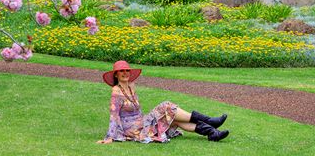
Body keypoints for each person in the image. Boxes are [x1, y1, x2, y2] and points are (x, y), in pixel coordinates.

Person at [97, 60, 229, 144]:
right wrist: (111, 136)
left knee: (172, 119)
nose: (125, 73)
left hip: (142, 122)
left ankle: (212, 133)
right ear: (116, 74)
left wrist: (147, 120)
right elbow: (114, 115)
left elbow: (137, 110)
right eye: (121, 71)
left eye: (127, 70)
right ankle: (210, 121)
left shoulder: (131, 86)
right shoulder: (116, 91)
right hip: (132, 128)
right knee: (167, 106)